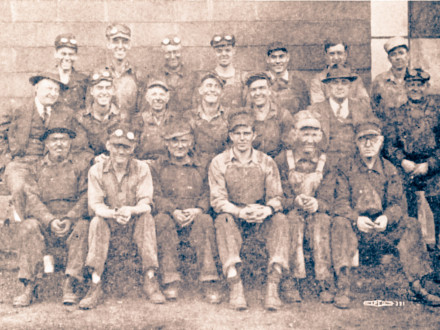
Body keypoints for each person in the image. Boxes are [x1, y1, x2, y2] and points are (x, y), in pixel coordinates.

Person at [332, 118, 440, 309]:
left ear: (381, 142)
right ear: (356, 143)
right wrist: (356, 219)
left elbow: (397, 203)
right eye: (362, 139)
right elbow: (340, 202)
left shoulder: (390, 170)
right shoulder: (344, 168)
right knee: (340, 223)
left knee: (411, 225)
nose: (368, 144)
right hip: (356, 229)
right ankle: (343, 287)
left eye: (372, 139)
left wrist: (387, 218)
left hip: (382, 230)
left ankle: (417, 285)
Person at [209, 111, 290, 311]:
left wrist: (267, 210)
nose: (242, 138)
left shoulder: (266, 161)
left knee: (280, 220)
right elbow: (218, 200)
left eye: (247, 133)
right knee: (223, 220)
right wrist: (239, 212)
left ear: (254, 135)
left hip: (260, 216)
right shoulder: (219, 162)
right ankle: (235, 284)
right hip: (235, 216)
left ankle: (273, 285)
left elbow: (277, 197)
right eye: (237, 134)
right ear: (230, 136)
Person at [79, 124, 165, 309]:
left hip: (133, 221)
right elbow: (95, 204)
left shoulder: (141, 168)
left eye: (126, 147)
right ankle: (95, 282)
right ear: (108, 146)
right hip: (109, 221)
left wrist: (129, 210)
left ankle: (150, 278)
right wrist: (114, 213)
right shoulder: (96, 170)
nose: (120, 151)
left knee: (146, 219)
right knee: (96, 222)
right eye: (116, 146)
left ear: (133, 148)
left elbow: (146, 202)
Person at [13, 121, 89, 307]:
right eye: (54, 140)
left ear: (70, 143)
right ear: (46, 144)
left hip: (71, 221)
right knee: (28, 226)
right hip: (45, 223)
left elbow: (86, 196)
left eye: (64, 139)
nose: (59, 144)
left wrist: (71, 218)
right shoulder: (35, 168)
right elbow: (32, 199)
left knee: (84, 226)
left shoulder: (79, 167)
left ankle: (70, 284)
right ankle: (29, 286)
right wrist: (50, 220)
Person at [152, 120, 221, 304]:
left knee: (205, 221)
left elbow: (209, 191)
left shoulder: (202, 164)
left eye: (184, 141)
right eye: (174, 141)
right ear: (166, 143)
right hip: (171, 215)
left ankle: (209, 279)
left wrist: (199, 209)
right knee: (161, 221)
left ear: (191, 142)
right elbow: (155, 195)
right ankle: (171, 279)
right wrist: (172, 210)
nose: (179, 146)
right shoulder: (158, 166)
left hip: (195, 214)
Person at [4, 72, 89, 222]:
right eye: (48, 89)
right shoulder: (17, 109)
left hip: (51, 164)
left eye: (56, 90)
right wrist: (5, 161)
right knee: (19, 188)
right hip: (21, 164)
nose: (52, 94)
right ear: (36, 88)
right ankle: (23, 228)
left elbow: (81, 142)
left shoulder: (66, 113)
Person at [275, 110, 334, 304]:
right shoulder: (283, 160)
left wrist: (318, 204)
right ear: (294, 134)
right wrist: (294, 201)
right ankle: (291, 280)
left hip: (317, 212)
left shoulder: (327, 162)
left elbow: (331, 198)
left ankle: (324, 279)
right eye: (304, 133)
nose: (309, 139)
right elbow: (276, 195)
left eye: (314, 133)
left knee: (322, 221)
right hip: (292, 210)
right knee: (291, 221)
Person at [384, 69, 440, 248]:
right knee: (401, 198)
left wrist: (430, 164)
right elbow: (390, 146)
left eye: (419, 85)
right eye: (411, 85)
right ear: (405, 87)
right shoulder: (396, 113)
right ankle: (411, 247)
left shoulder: (437, 110)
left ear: (427, 86)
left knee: (437, 196)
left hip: (433, 168)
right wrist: (402, 161)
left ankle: (437, 246)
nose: (415, 89)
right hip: (406, 167)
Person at [307, 64, 374, 170]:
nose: (339, 87)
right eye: (335, 82)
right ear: (328, 86)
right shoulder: (316, 110)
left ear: (350, 86)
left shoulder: (362, 109)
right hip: (325, 166)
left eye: (344, 82)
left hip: (356, 166)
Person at [77, 67, 125, 159]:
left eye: (108, 88)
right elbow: (79, 150)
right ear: (92, 91)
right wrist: (93, 159)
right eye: (99, 88)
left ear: (113, 91)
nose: (104, 92)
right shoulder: (81, 118)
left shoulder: (121, 117)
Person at [184, 72, 230, 167]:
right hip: (195, 166)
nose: (212, 90)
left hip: (222, 166)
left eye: (216, 86)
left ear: (222, 93)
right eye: (208, 86)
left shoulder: (229, 116)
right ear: (200, 90)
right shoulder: (189, 116)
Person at [245, 72, 295, 158]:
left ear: (269, 91)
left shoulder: (282, 115)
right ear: (249, 93)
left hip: (276, 164)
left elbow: (288, 147)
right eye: (253, 89)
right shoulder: (245, 117)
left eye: (262, 88)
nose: (257, 93)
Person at [105, 23, 146, 120]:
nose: (120, 46)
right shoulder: (99, 73)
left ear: (129, 45)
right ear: (108, 44)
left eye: (125, 42)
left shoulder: (138, 75)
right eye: (115, 41)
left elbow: (143, 110)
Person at [310, 38, 369, 104]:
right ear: (326, 56)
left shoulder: (355, 79)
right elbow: (317, 106)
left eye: (339, 53)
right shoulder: (318, 80)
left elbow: (365, 102)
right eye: (332, 54)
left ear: (345, 55)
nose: (336, 58)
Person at [148, 35, 198, 113]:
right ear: (163, 55)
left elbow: (197, 106)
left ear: (181, 53)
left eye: (176, 52)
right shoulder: (155, 77)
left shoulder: (192, 77)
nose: (172, 57)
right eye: (168, 53)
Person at [133, 80, 177, 161]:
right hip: (145, 164)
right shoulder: (139, 119)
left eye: (162, 95)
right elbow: (133, 147)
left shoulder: (175, 119)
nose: (158, 98)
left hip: (169, 165)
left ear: (167, 98)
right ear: (147, 98)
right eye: (154, 94)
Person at [371, 37, 410, 124]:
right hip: (388, 129)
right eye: (393, 54)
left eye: (401, 53)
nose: (398, 58)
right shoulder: (379, 80)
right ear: (389, 58)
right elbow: (373, 108)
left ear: (408, 55)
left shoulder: (415, 79)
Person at [264, 41, 309, 116]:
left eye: (281, 57)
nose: (278, 61)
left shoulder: (299, 83)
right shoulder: (261, 82)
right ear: (267, 59)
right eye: (273, 57)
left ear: (287, 58)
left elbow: (304, 111)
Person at [53, 33, 88, 111]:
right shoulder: (47, 78)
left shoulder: (83, 81)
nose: (67, 58)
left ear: (76, 56)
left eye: (71, 54)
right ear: (55, 53)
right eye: (63, 54)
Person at [210, 33, 246, 109]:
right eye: (219, 51)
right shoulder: (208, 78)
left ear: (234, 51)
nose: (223, 54)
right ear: (214, 52)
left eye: (227, 50)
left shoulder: (243, 78)